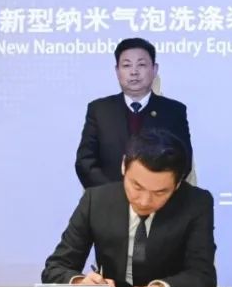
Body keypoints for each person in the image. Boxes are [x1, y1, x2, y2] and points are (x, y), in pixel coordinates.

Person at [44, 129, 215, 287]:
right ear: (123, 166)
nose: (144, 201)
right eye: (137, 187)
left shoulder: (196, 203)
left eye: (160, 192)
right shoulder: (96, 200)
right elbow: (55, 268)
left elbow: (202, 274)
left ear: (178, 184)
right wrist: (81, 283)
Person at [75, 37, 192, 188]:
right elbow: (85, 161)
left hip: (157, 198)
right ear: (117, 71)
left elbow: (183, 161)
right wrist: (113, 194)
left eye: (141, 65)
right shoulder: (99, 110)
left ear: (154, 69)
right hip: (108, 198)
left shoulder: (174, 111)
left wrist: (151, 192)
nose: (134, 72)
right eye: (126, 65)